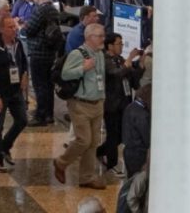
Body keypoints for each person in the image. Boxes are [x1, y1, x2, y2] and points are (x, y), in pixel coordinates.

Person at [53, 23, 107, 189]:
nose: (103, 39)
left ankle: (86, 177)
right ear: (90, 37)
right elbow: (65, 74)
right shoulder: (78, 54)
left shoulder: (100, 54)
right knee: (84, 140)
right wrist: (83, 68)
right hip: (80, 104)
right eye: (100, 36)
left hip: (97, 103)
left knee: (93, 143)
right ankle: (61, 162)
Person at [0, 14, 29, 172]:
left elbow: (23, 62)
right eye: (10, 27)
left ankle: (5, 146)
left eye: (14, 26)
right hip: (0, 92)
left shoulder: (18, 44)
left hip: (15, 91)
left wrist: (24, 75)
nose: (14, 29)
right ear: (1, 29)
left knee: (22, 120)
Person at [97, 33, 138, 177]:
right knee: (113, 134)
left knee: (121, 135)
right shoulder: (104, 60)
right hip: (111, 104)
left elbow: (131, 77)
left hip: (124, 103)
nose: (121, 46)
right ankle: (112, 164)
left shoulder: (120, 59)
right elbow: (116, 74)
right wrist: (129, 61)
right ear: (110, 46)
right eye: (119, 44)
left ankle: (99, 151)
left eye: (122, 43)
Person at [21, 0, 60, 126]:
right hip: (50, 53)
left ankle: (41, 115)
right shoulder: (53, 9)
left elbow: (29, 30)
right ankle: (49, 114)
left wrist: (23, 27)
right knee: (48, 85)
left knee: (39, 85)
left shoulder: (40, 11)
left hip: (39, 52)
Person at [122, 84, 151, 178]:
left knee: (131, 179)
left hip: (128, 150)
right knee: (137, 181)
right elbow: (146, 137)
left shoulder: (130, 107)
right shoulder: (142, 114)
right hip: (139, 153)